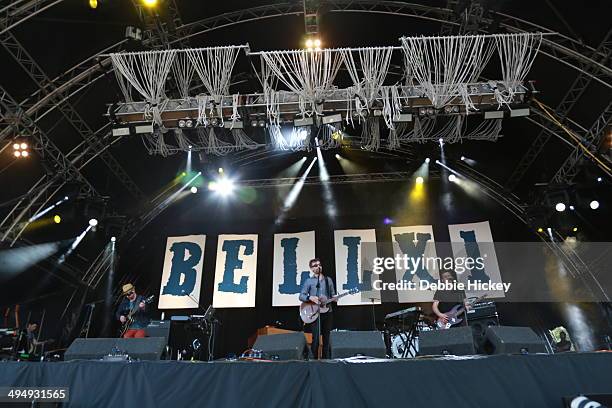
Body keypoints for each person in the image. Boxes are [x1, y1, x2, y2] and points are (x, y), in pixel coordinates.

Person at [299, 258, 337, 359]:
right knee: (315, 338)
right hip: (315, 313)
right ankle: (313, 360)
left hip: (327, 311)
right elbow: (301, 296)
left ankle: (326, 360)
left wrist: (335, 298)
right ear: (311, 268)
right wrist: (310, 297)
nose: (318, 266)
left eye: (319, 264)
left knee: (326, 337)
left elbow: (333, 295)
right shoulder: (309, 281)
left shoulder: (328, 280)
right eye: (315, 265)